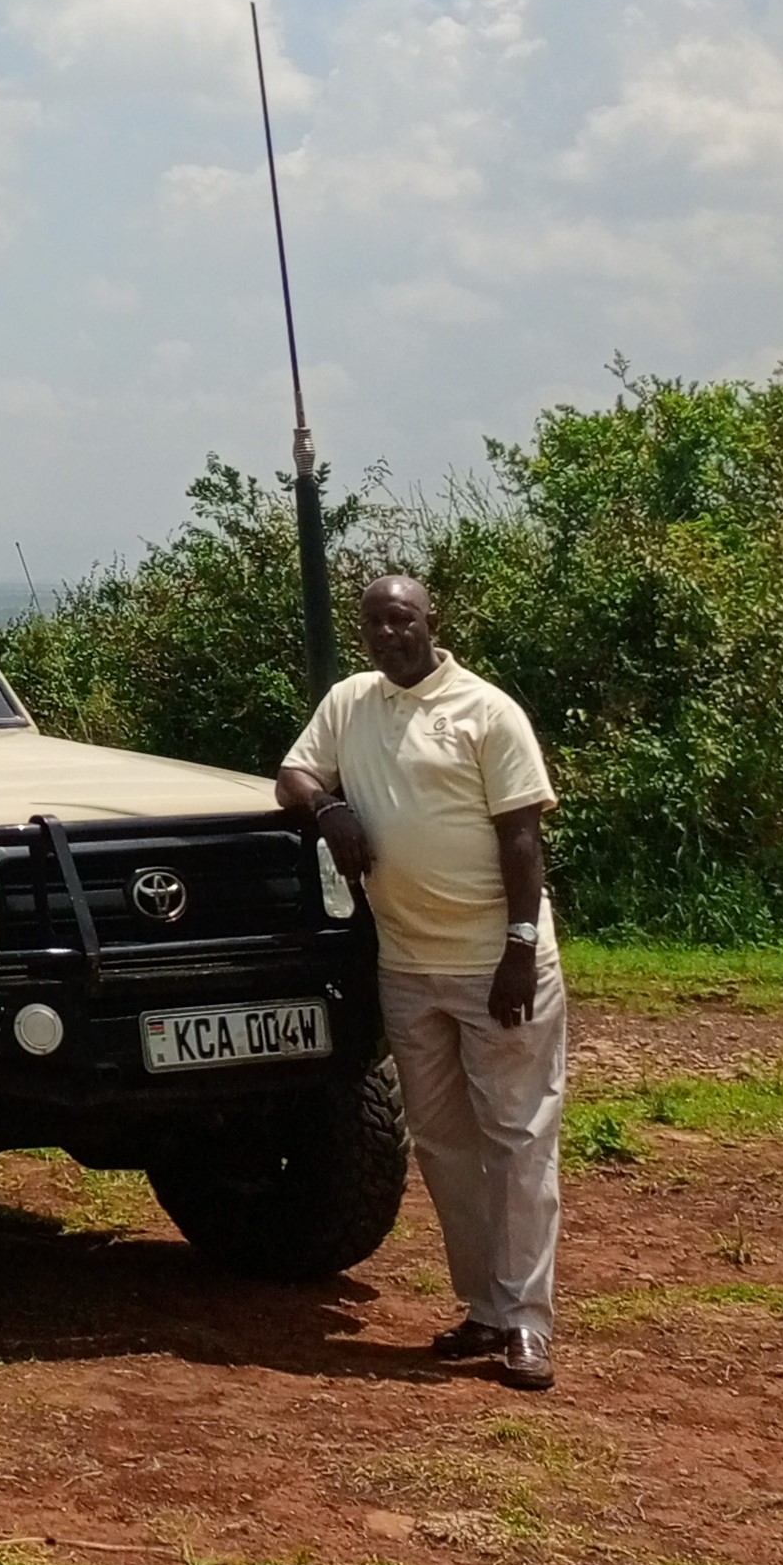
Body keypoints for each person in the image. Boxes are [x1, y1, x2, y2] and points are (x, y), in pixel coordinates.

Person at [279, 575, 565, 1392]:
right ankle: (483, 1308)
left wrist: (517, 946)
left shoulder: (486, 712)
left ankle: (527, 1325)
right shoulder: (351, 702)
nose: (386, 633)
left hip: (496, 963)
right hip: (407, 963)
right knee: (442, 1144)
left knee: (516, 1138)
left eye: (400, 618)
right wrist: (329, 812)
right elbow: (294, 777)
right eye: (373, 621)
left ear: (431, 621)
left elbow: (521, 837)